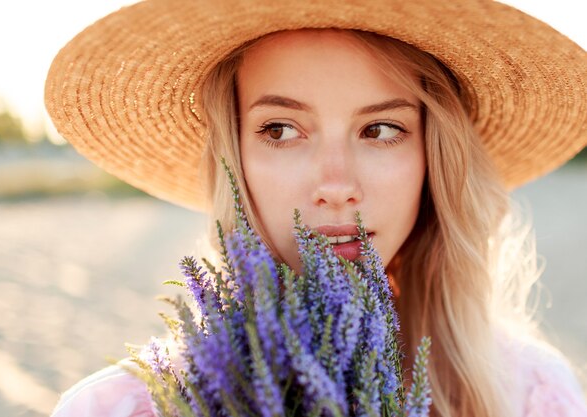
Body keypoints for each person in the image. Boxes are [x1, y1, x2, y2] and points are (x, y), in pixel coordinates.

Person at [44, 1, 587, 416]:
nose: (336, 186)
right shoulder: (128, 407)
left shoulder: (531, 396)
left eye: (380, 130)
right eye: (280, 130)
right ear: (233, 157)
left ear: (433, 158)